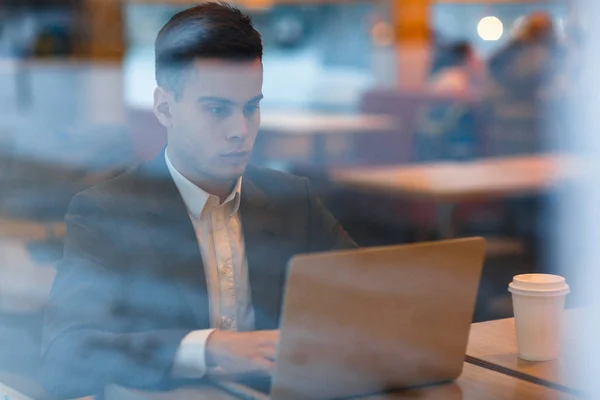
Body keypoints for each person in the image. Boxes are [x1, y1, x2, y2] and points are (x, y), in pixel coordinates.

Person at [40, 3, 357, 398]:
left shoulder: (294, 201)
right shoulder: (108, 212)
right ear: (164, 107)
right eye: (217, 109)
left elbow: (369, 300)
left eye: (251, 108)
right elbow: (65, 356)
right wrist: (207, 348)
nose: (240, 131)